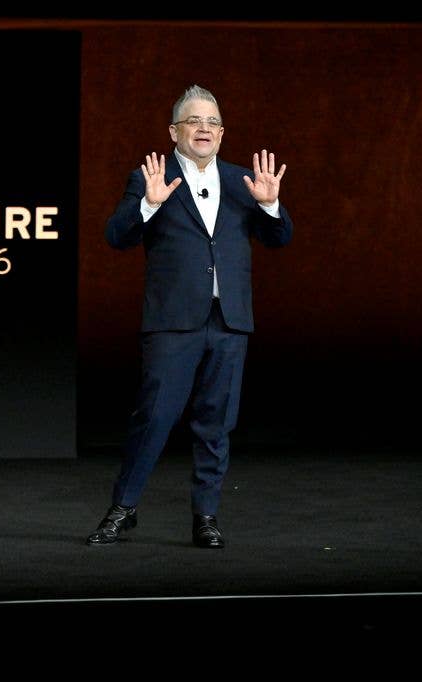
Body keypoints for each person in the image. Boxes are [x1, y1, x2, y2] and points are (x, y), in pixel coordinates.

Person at [87, 84, 293, 548]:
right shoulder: (151, 178)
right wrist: (149, 204)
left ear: (221, 133)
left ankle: (206, 517)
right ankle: (123, 508)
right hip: (173, 322)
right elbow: (116, 236)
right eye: (194, 121)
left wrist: (269, 204)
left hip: (229, 322)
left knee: (216, 423)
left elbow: (279, 238)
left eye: (212, 122)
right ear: (173, 131)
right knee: (154, 417)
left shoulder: (244, 182)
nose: (204, 128)